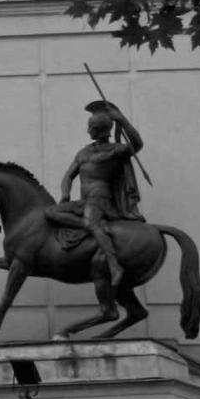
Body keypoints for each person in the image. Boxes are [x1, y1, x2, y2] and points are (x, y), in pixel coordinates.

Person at [52, 101, 144, 287]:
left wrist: (122, 120)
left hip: (101, 199)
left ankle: (114, 264)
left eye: (91, 127)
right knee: (50, 213)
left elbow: (137, 144)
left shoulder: (116, 150)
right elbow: (68, 176)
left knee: (89, 221)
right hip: (85, 201)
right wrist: (65, 195)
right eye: (88, 126)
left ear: (101, 130)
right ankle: (93, 226)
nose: (88, 131)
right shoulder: (84, 152)